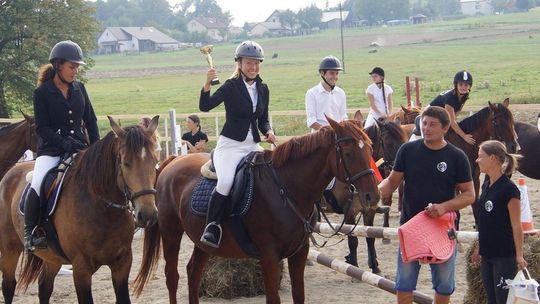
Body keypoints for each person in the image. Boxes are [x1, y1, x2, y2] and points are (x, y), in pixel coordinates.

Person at [378, 106, 475, 304]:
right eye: (424, 123)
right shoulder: (407, 150)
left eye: (432, 125)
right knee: (404, 283)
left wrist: (444, 207)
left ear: (445, 128)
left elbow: (469, 195)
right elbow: (392, 182)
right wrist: (374, 189)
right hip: (411, 227)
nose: (426, 128)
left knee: (444, 285)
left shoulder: (457, 157)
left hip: (443, 228)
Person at [24, 40, 100, 252]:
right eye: (72, 66)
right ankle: (31, 232)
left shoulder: (80, 89)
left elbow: (91, 121)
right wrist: (63, 142)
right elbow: (42, 128)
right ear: (58, 66)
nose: (76, 71)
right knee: (38, 181)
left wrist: (96, 148)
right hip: (51, 150)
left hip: (79, 147)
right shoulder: (42, 92)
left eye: (77, 67)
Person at [198, 40, 275, 248]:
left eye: (257, 63)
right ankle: (212, 226)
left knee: (271, 177)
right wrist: (207, 83)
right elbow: (205, 107)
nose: (253, 67)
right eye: (249, 63)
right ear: (239, 64)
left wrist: (268, 131)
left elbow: (263, 119)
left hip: (252, 146)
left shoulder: (263, 88)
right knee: (225, 182)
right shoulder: (231, 87)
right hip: (230, 146)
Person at [471, 140, 527, 304]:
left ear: (493, 158)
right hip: (487, 253)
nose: (477, 160)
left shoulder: (509, 189)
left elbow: (517, 225)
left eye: (480, 156)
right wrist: (480, 247)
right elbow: (485, 221)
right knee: (492, 300)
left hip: (504, 255)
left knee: (503, 300)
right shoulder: (486, 186)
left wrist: (519, 256)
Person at [429, 70, 475, 145]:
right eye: (460, 84)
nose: (463, 87)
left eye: (466, 85)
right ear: (456, 85)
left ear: (469, 86)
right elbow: (452, 121)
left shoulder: (465, 95)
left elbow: (457, 112)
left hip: (441, 118)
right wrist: (464, 136)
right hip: (429, 115)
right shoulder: (450, 98)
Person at [305, 55, 348, 131]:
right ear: (322, 73)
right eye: (332, 73)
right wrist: (328, 132)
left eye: (337, 73)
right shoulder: (312, 93)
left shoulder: (341, 93)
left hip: (338, 136)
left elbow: (343, 116)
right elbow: (311, 121)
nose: (335, 76)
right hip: (320, 136)